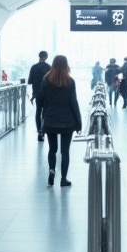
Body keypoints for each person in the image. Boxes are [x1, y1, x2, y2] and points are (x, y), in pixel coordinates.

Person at [37, 54, 82, 186]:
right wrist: (78, 122)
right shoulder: (70, 81)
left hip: (50, 119)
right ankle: (63, 179)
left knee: (52, 149)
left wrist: (41, 116)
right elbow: (74, 102)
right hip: (67, 121)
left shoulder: (46, 79)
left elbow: (40, 99)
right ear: (66, 65)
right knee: (65, 151)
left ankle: (51, 170)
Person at [27, 51, 51, 141]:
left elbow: (30, 81)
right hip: (47, 93)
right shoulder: (49, 67)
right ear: (46, 57)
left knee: (38, 111)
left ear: (39, 56)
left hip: (37, 93)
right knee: (45, 112)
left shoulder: (34, 67)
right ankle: (44, 129)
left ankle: (39, 130)